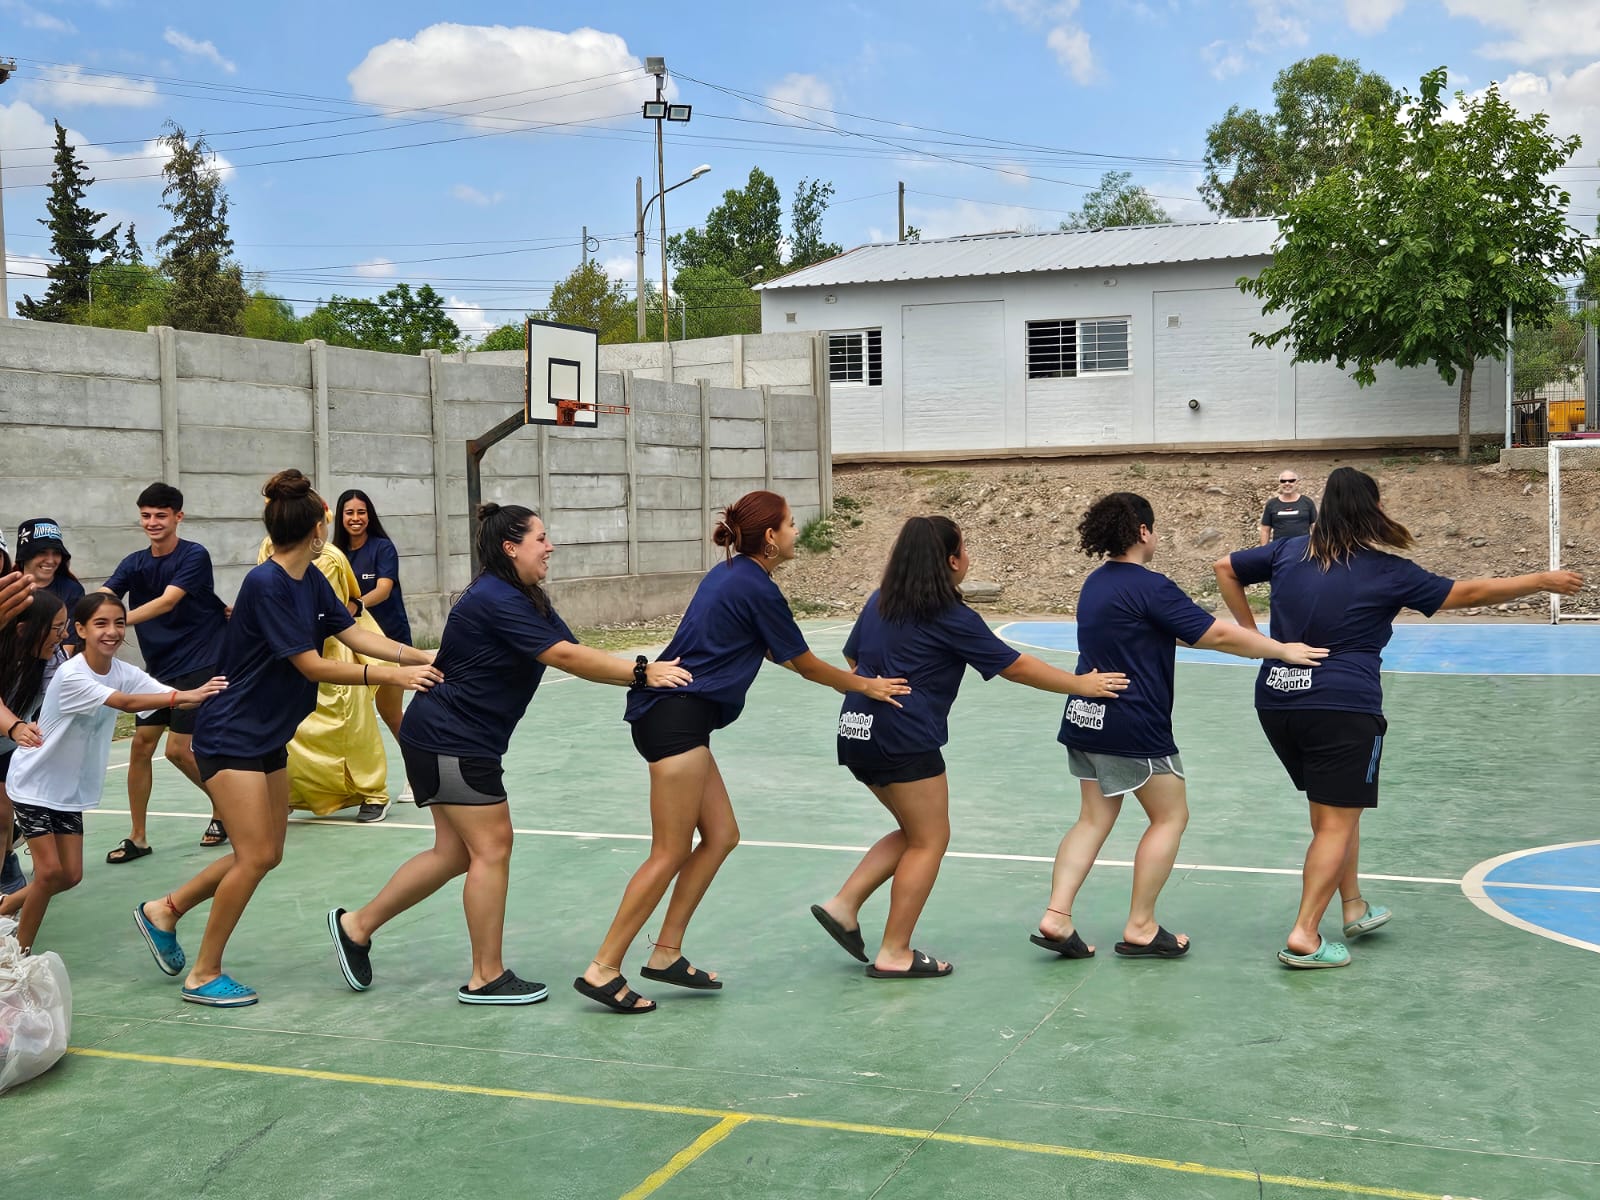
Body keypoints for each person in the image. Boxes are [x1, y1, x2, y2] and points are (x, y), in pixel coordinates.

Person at [1217, 466, 1583, 969]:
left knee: (1335, 814)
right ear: (1371, 509)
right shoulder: (1386, 570)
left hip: (1278, 700)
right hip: (1344, 707)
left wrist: (1263, 643)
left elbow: (1224, 567)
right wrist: (1540, 581)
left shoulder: (1287, 550)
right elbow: (1469, 594)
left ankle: (1353, 905)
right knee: (1335, 820)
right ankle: (1304, 933)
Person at [328, 503, 694, 1006]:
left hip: (450, 736)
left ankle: (356, 926)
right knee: (492, 847)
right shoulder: (495, 599)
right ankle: (486, 976)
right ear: (510, 546)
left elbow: (573, 647)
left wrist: (645, 671)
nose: (550, 547)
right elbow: (562, 657)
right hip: (452, 739)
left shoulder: (525, 597)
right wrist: (640, 670)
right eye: (540, 538)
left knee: (454, 853)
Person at [575, 490, 911, 1014]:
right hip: (675, 720)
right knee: (669, 851)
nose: (798, 532)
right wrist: (866, 686)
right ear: (771, 538)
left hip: (678, 718)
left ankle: (666, 954)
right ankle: (603, 968)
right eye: (792, 524)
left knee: (722, 835)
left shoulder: (734, 576)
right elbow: (804, 663)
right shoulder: (754, 587)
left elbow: (779, 655)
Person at [131, 470, 441, 1009]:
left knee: (266, 853)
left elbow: (352, 631)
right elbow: (310, 664)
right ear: (319, 528)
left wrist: (420, 656)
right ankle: (203, 973)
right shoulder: (267, 583)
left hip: (268, 732)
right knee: (253, 856)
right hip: (231, 733)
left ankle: (166, 909)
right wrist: (389, 677)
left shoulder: (310, 577)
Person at [811, 515, 1128, 980]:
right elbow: (1015, 667)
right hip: (904, 738)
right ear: (951, 560)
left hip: (856, 728)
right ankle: (895, 952)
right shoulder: (949, 615)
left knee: (914, 831)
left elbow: (853, 658)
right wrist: (1080, 684)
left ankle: (844, 905)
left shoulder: (881, 602)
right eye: (964, 548)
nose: (968, 556)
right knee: (930, 839)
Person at [1035, 492, 1327, 962]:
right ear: (1144, 532)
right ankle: (1141, 926)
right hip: (1132, 723)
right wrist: (1282, 649)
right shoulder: (1150, 586)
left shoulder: (1096, 583)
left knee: (1093, 818)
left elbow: (1150, 630)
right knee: (1170, 816)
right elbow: (1216, 633)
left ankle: (1056, 914)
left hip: (1085, 717)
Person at [0, 594, 225, 952]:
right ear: (81, 630)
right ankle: (20, 952)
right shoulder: (71, 674)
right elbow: (126, 703)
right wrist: (180, 698)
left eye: (118, 623)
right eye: (101, 624)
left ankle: (8, 904)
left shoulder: (122, 671)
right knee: (50, 873)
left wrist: (198, 695)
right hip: (34, 784)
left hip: (67, 792)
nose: (112, 631)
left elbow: (158, 690)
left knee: (71, 875)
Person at [100, 483, 232, 860]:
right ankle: (138, 837)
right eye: (146, 516)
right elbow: (105, 597)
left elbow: (167, 601)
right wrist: (87, 616)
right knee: (141, 747)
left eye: (161, 515)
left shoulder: (194, 555)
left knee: (178, 750)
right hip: (158, 668)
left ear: (178, 516)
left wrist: (115, 622)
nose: (152, 522)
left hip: (200, 661)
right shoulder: (133, 562)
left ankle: (226, 807)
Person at [255, 529, 390, 822]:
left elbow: (347, 606)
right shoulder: (266, 560)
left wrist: (407, 658)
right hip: (294, 653)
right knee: (294, 733)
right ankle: (292, 795)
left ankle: (372, 793)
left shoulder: (329, 557)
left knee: (354, 729)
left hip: (333, 650)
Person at [0, 591, 68, 897]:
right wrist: (15, 727)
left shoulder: (53, 658)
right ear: (23, 630)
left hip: (6, 748)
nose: (63, 635)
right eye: (56, 628)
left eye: (65, 626)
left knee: (2, 818)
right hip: (10, 735)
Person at [333, 489, 411, 748]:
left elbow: (384, 589)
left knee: (391, 714)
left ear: (370, 515)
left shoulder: (382, 547)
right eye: (349, 512)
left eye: (361, 512)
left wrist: (357, 605)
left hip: (387, 642)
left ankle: (418, 773)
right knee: (350, 717)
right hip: (351, 645)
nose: (356, 518)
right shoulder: (335, 553)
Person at [16, 518, 85, 656]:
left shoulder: (71, 590)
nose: (51, 560)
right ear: (25, 555)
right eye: (42, 552)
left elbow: (69, 644)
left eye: (56, 553)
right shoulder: (7, 586)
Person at [1259, 469, 1316, 545]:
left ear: (1297, 482)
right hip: (1279, 550)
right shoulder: (1272, 504)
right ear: (1280, 483)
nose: (1287, 483)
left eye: (1291, 481)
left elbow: (1315, 526)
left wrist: (1317, 549)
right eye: (1283, 481)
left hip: (1303, 549)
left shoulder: (1307, 502)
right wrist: (1264, 551)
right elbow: (1265, 530)